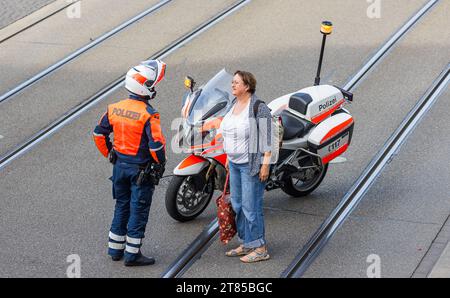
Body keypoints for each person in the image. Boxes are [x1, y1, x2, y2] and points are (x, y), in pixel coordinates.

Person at [93, 59, 167, 266]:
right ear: (145, 87)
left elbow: (98, 134)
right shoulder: (149, 114)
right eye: (153, 85)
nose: (155, 88)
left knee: (121, 206)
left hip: (119, 169)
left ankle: (115, 249)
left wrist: (110, 154)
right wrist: (160, 163)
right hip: (140, 171)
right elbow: (156, 147)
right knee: (139, 209)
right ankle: (132, 254)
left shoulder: (114, 108)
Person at [220, 70, 273, 263]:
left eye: (236, 82)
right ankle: (247, 242)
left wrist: (265, 165)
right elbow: (230, 132)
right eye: (232, 82)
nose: (232, 85)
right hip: (234, 163)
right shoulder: (234, 104)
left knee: (251, 207)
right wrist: (228, 156)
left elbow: (268, 139)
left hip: (251, 165)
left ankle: (260, 247)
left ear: (247, 86)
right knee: (238, 205)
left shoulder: (259, 107)